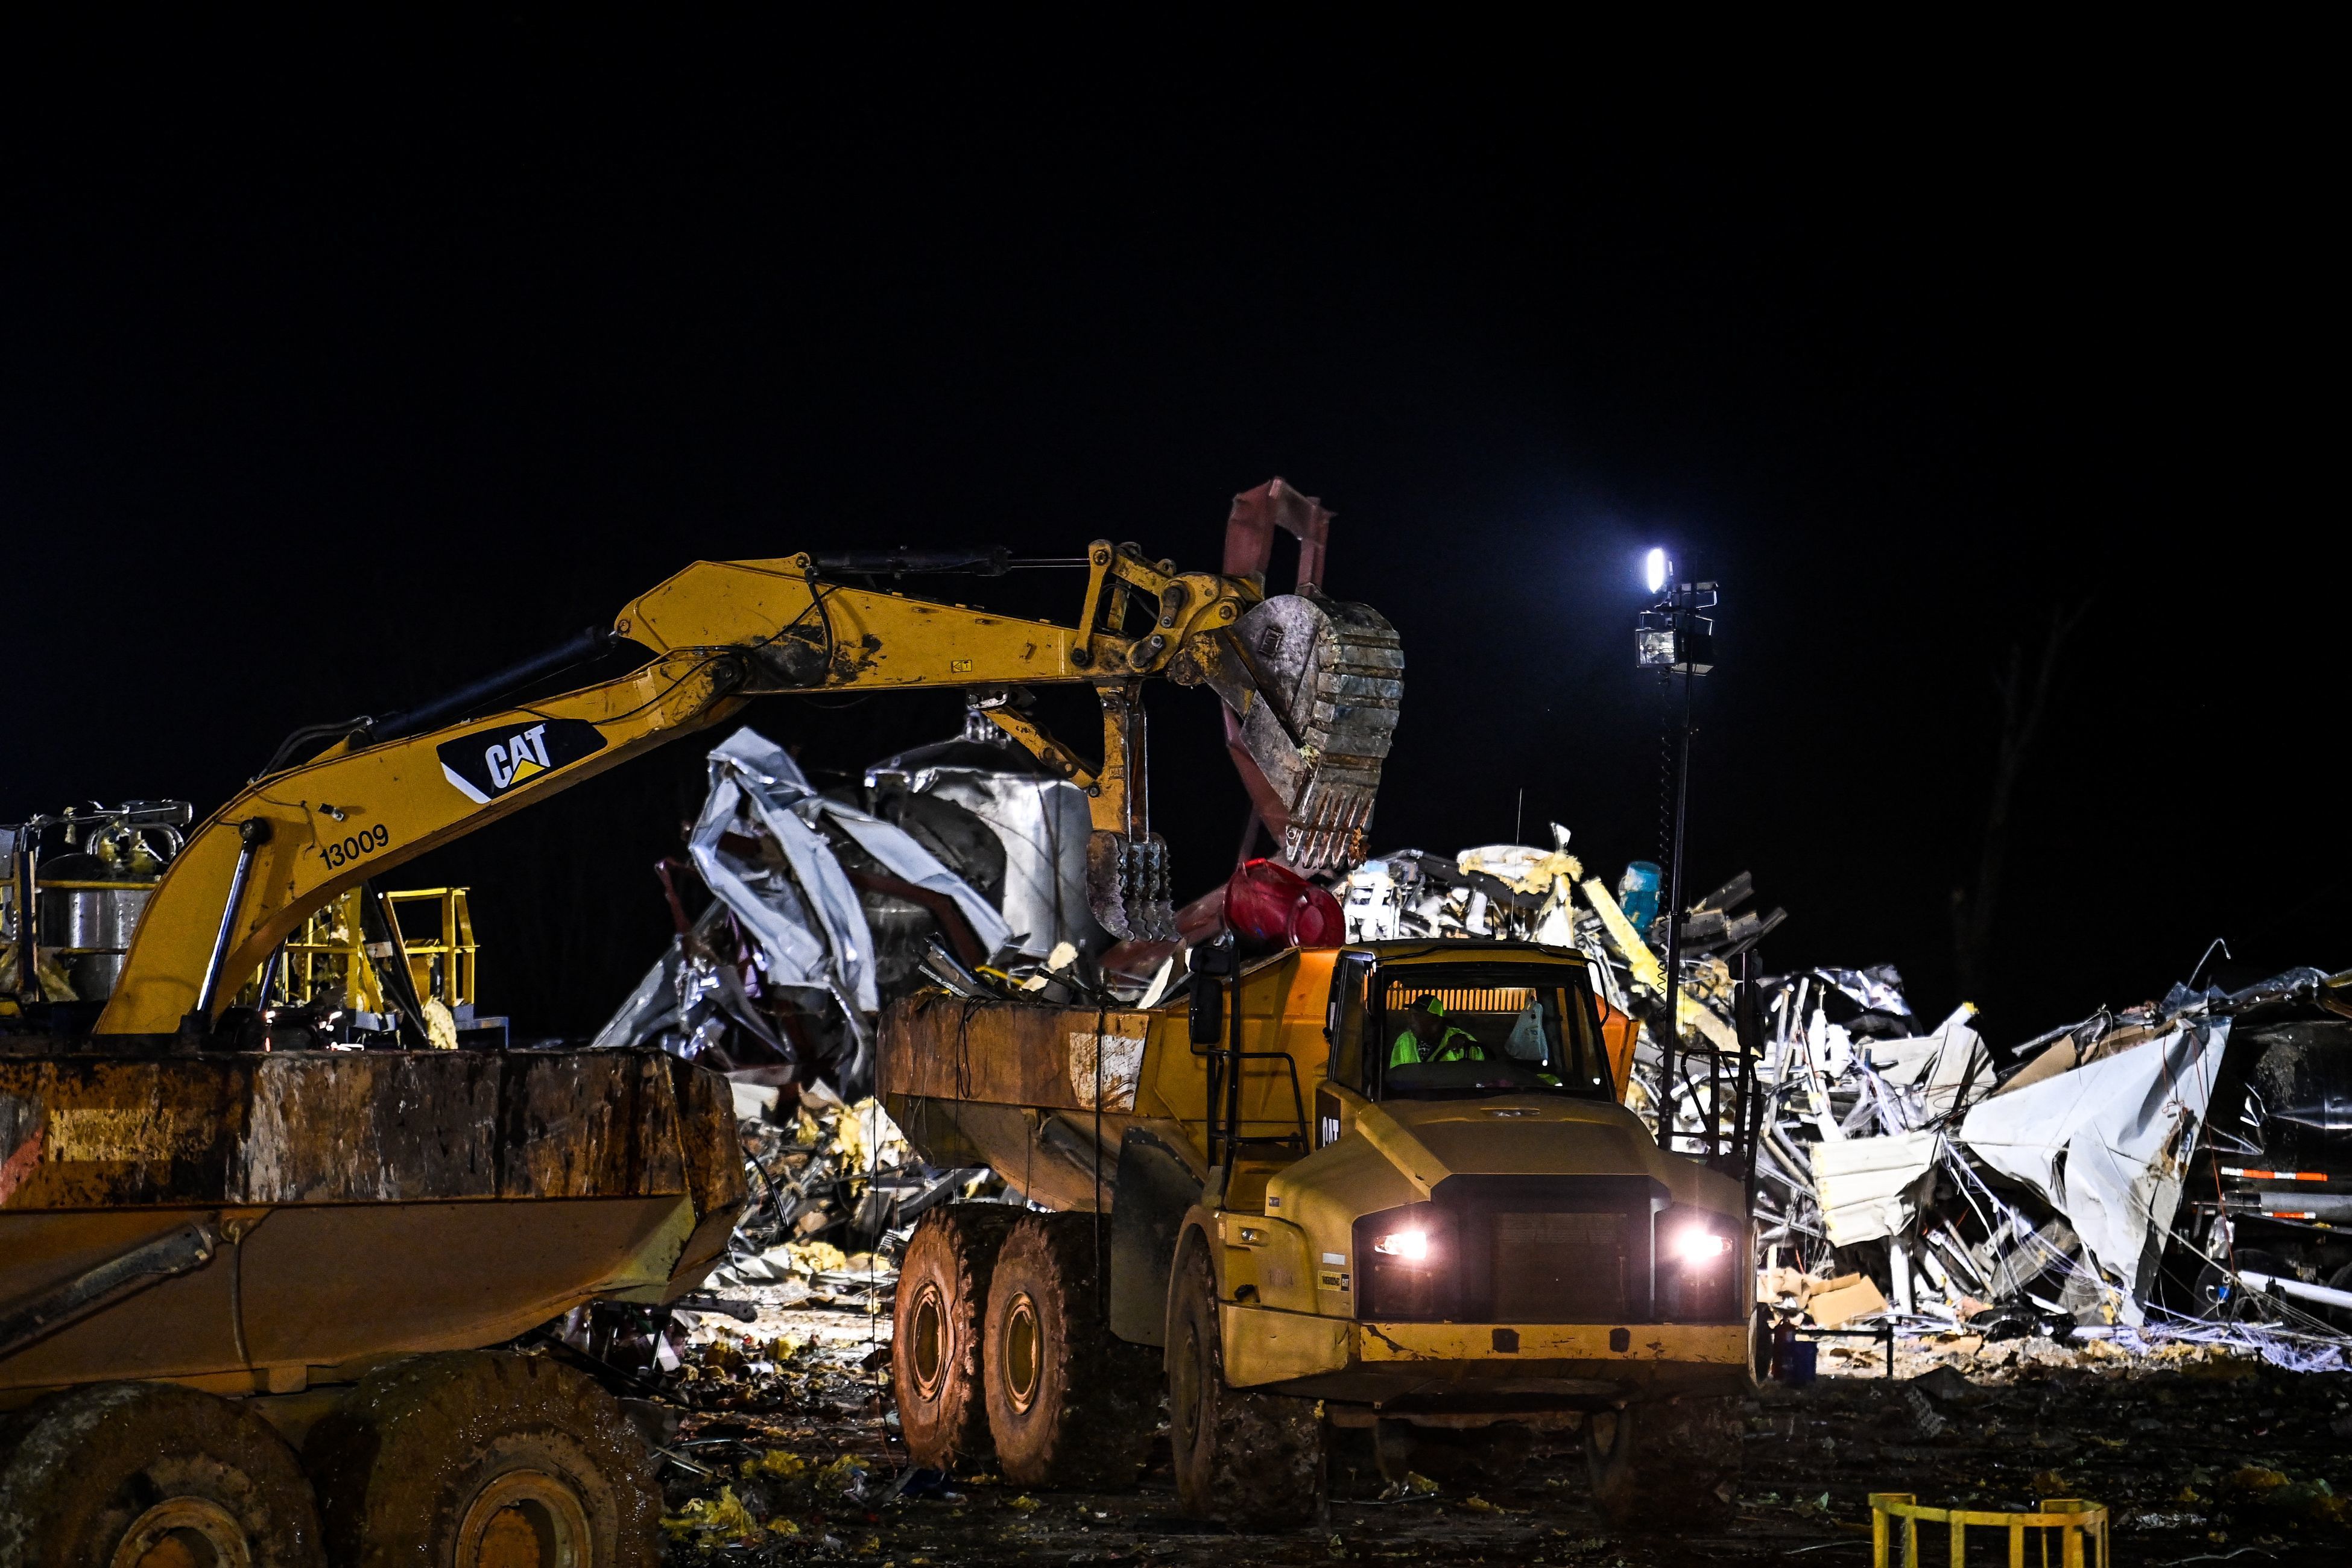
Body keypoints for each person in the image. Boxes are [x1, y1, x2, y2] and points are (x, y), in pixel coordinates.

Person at [1389, 994, 1484, 1066]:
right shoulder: (1404, 1041)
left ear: (1437, 1020)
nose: (1411, 1020)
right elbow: (1396, 1077)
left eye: (1418, 1015)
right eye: (1410, 1015)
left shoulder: (1463, 1041)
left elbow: (1478, 1076)